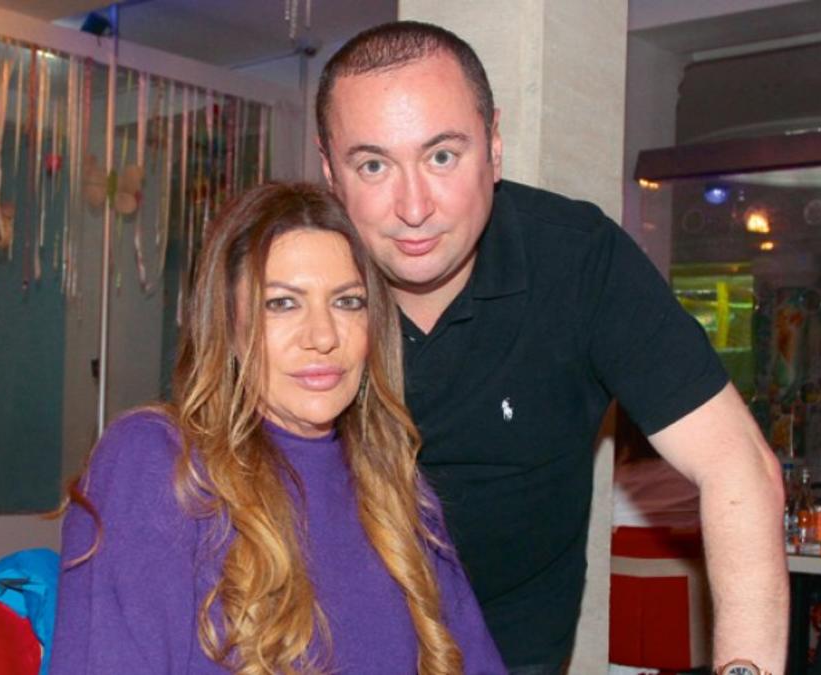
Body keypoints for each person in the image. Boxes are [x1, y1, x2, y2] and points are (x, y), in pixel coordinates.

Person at [314, 21, 788, 675]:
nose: (413, 206)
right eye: (373, 165)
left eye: (442, 156)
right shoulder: (292, 286)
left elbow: (739, 466)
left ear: (494, 146)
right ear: (330, 174)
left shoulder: (577, 261)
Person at [49, 183, 506, 674]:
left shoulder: (398, 490)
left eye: (348, 302)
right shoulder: (159, 463)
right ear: (229, 323)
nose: (323, 336)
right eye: (283, 303)